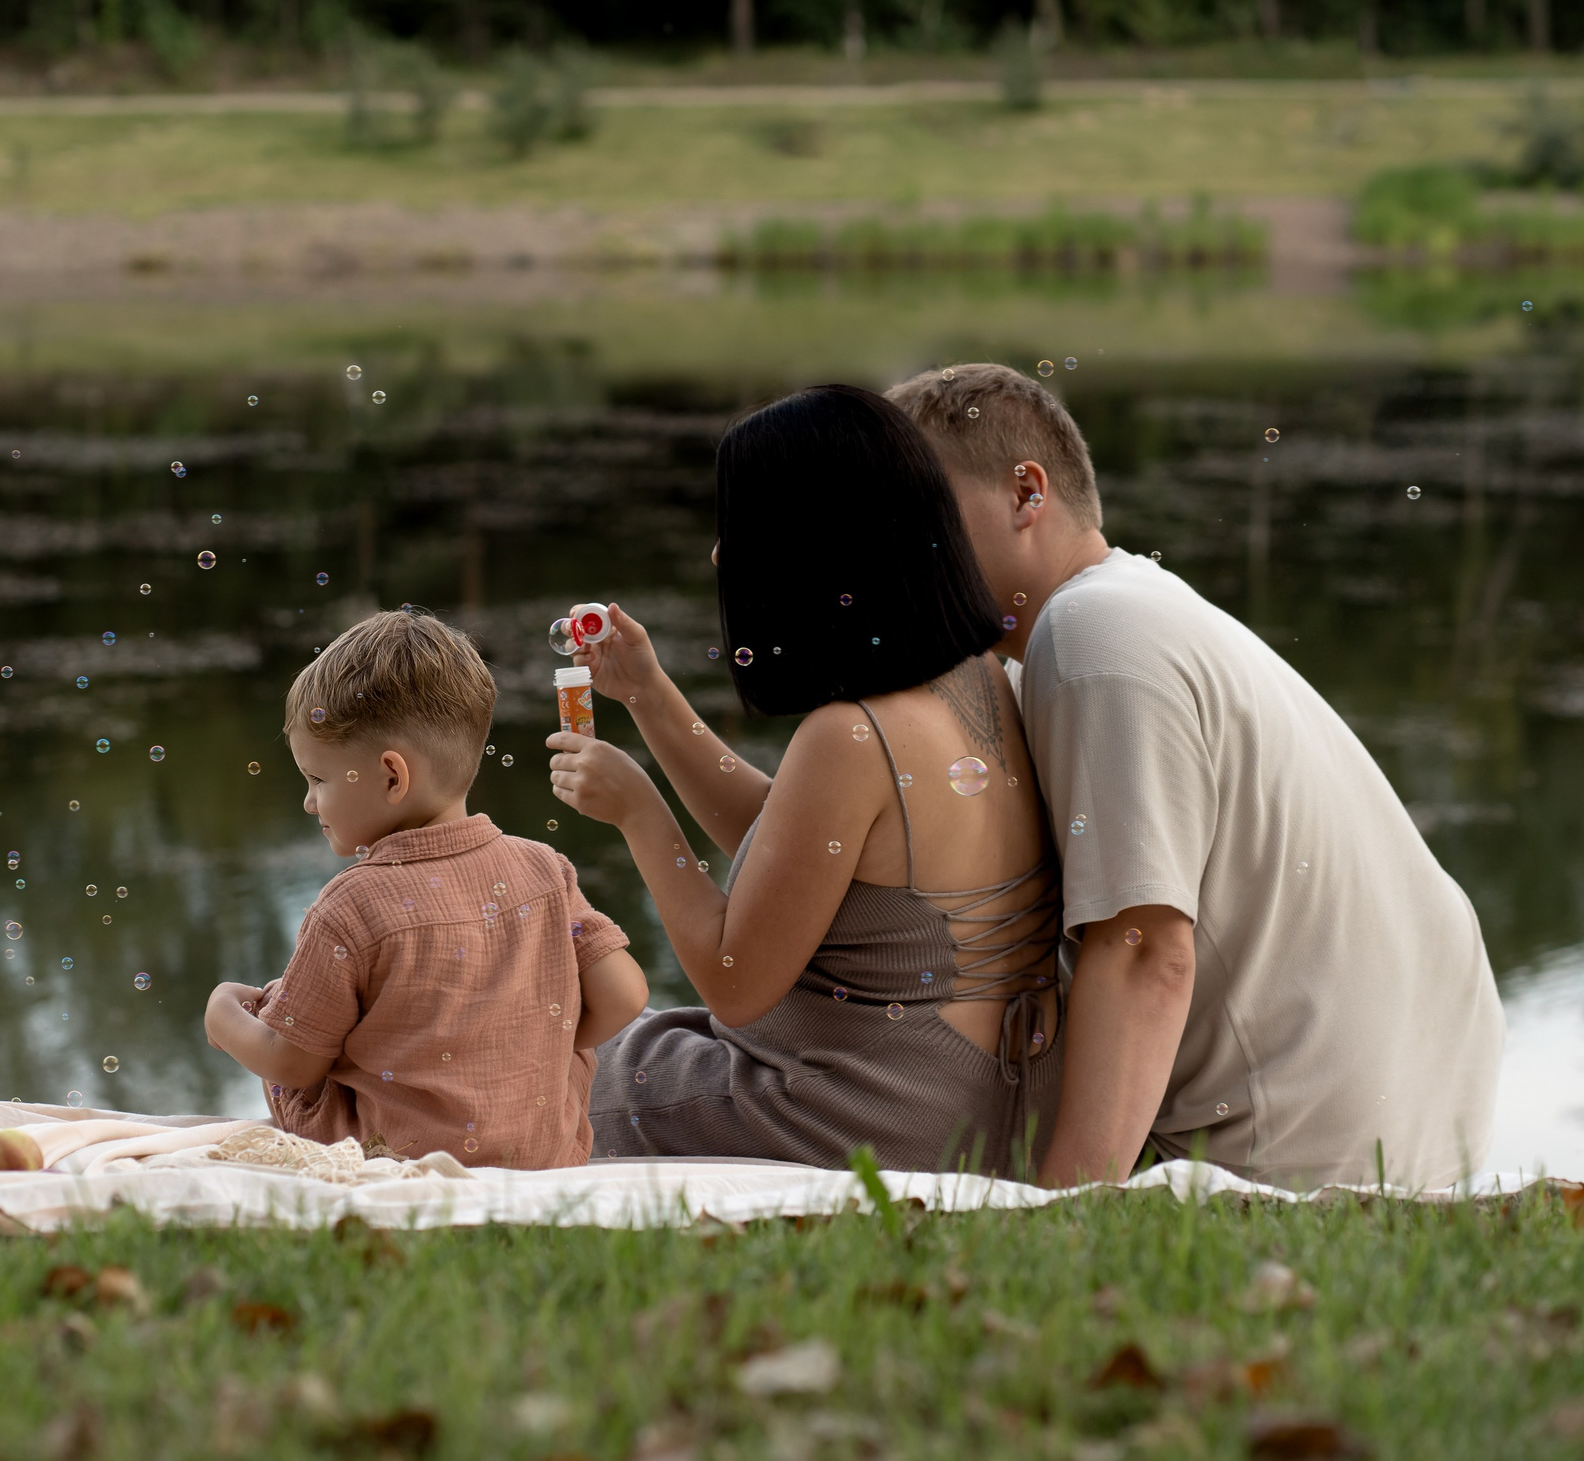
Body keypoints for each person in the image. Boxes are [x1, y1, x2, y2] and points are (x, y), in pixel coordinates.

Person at [885, 363, 1504, 1190]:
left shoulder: (1092, 634)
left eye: (912, 517)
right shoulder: (1132, 609)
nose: (891, 553)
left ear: (1026, 494)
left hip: (1286, 1165)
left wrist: (1059, 1215)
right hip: (1411, 1140)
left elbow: (1146, 954)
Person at [547, 386, 1062, 1177]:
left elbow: (734, 982)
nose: (722, 556)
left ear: (808, 544)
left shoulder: (847, 737)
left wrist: (639, 812)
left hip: (847, 1115)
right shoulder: (972, 675)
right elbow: (797, 850)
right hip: (966, 1102)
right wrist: (649, 694)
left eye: (739, 527)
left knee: (539, 1056)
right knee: (604, 1032)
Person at [204, 608, 651, 1167]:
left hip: (394, 1163)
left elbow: (293, 1064)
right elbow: (627, 996)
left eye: (318, 779)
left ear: (393, 776)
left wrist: (223, 1014)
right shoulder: (545, 868)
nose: (309, 802)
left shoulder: (351, 904)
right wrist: (534, 1045)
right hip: (541, 1153)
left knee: (284, 1012)